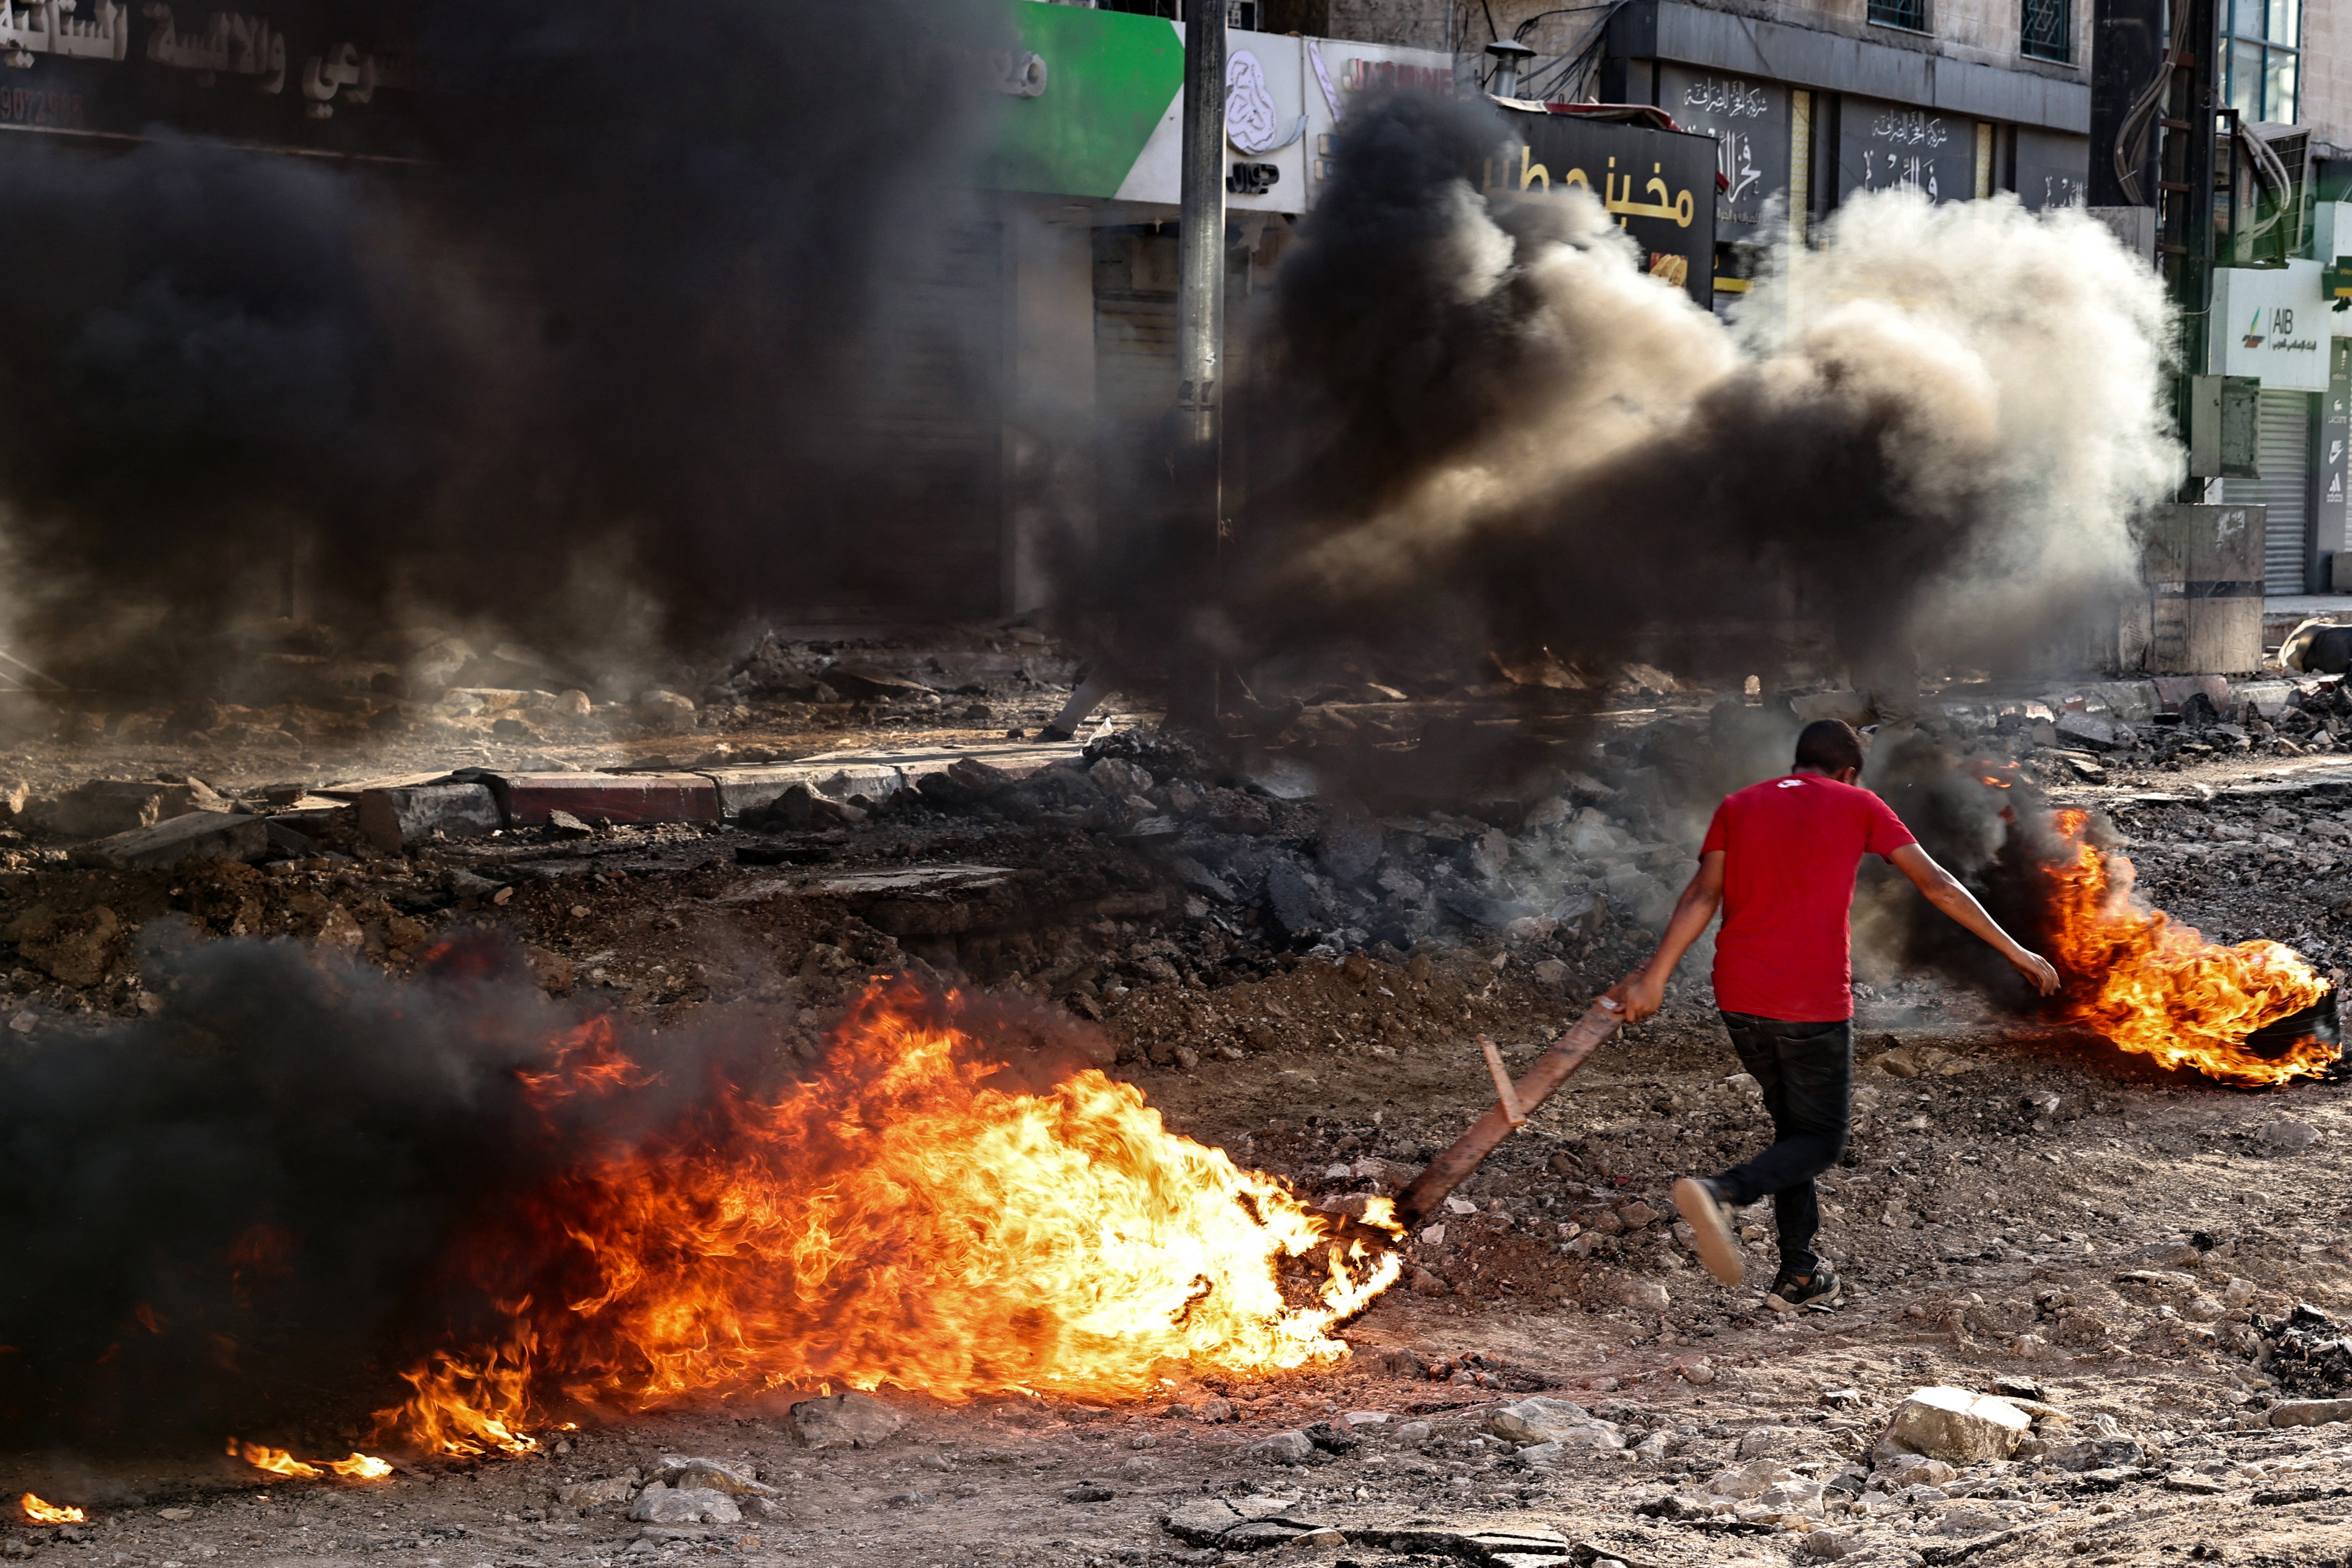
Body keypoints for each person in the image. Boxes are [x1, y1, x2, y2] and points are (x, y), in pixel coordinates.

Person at [1603, 718, 2060, 1312]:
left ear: (1799, 763)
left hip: (1738, 995)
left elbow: (1700, 896)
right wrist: (2017, 952)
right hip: (1809, 999)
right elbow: (1939, 885)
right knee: (1820, 1140)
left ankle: (1799, 1272)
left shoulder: (1738, 805)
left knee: (1793, 1133)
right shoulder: (1859, 802)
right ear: (1847, 771)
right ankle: (1722, 1193)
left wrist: (1655, 980)